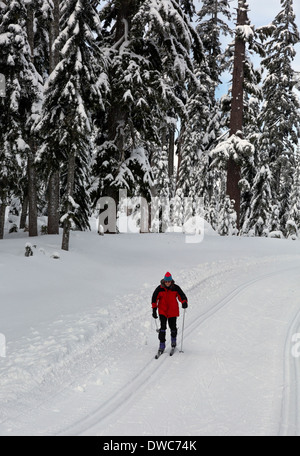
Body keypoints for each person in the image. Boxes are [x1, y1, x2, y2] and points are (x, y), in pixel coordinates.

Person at [151, 272, 188, 353]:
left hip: (172, 311)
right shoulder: (159, 288)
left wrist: (184, 302)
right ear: (164, 281)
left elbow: (182, 295)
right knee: (163, 328)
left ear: (171, 281)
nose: (167, 283)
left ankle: (173, 341)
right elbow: (154, 298)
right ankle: (162, 344)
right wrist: (154, 309)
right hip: (162, 311)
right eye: (166, 281)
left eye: (169, 281)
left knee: (173, 327)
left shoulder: (175, 288)